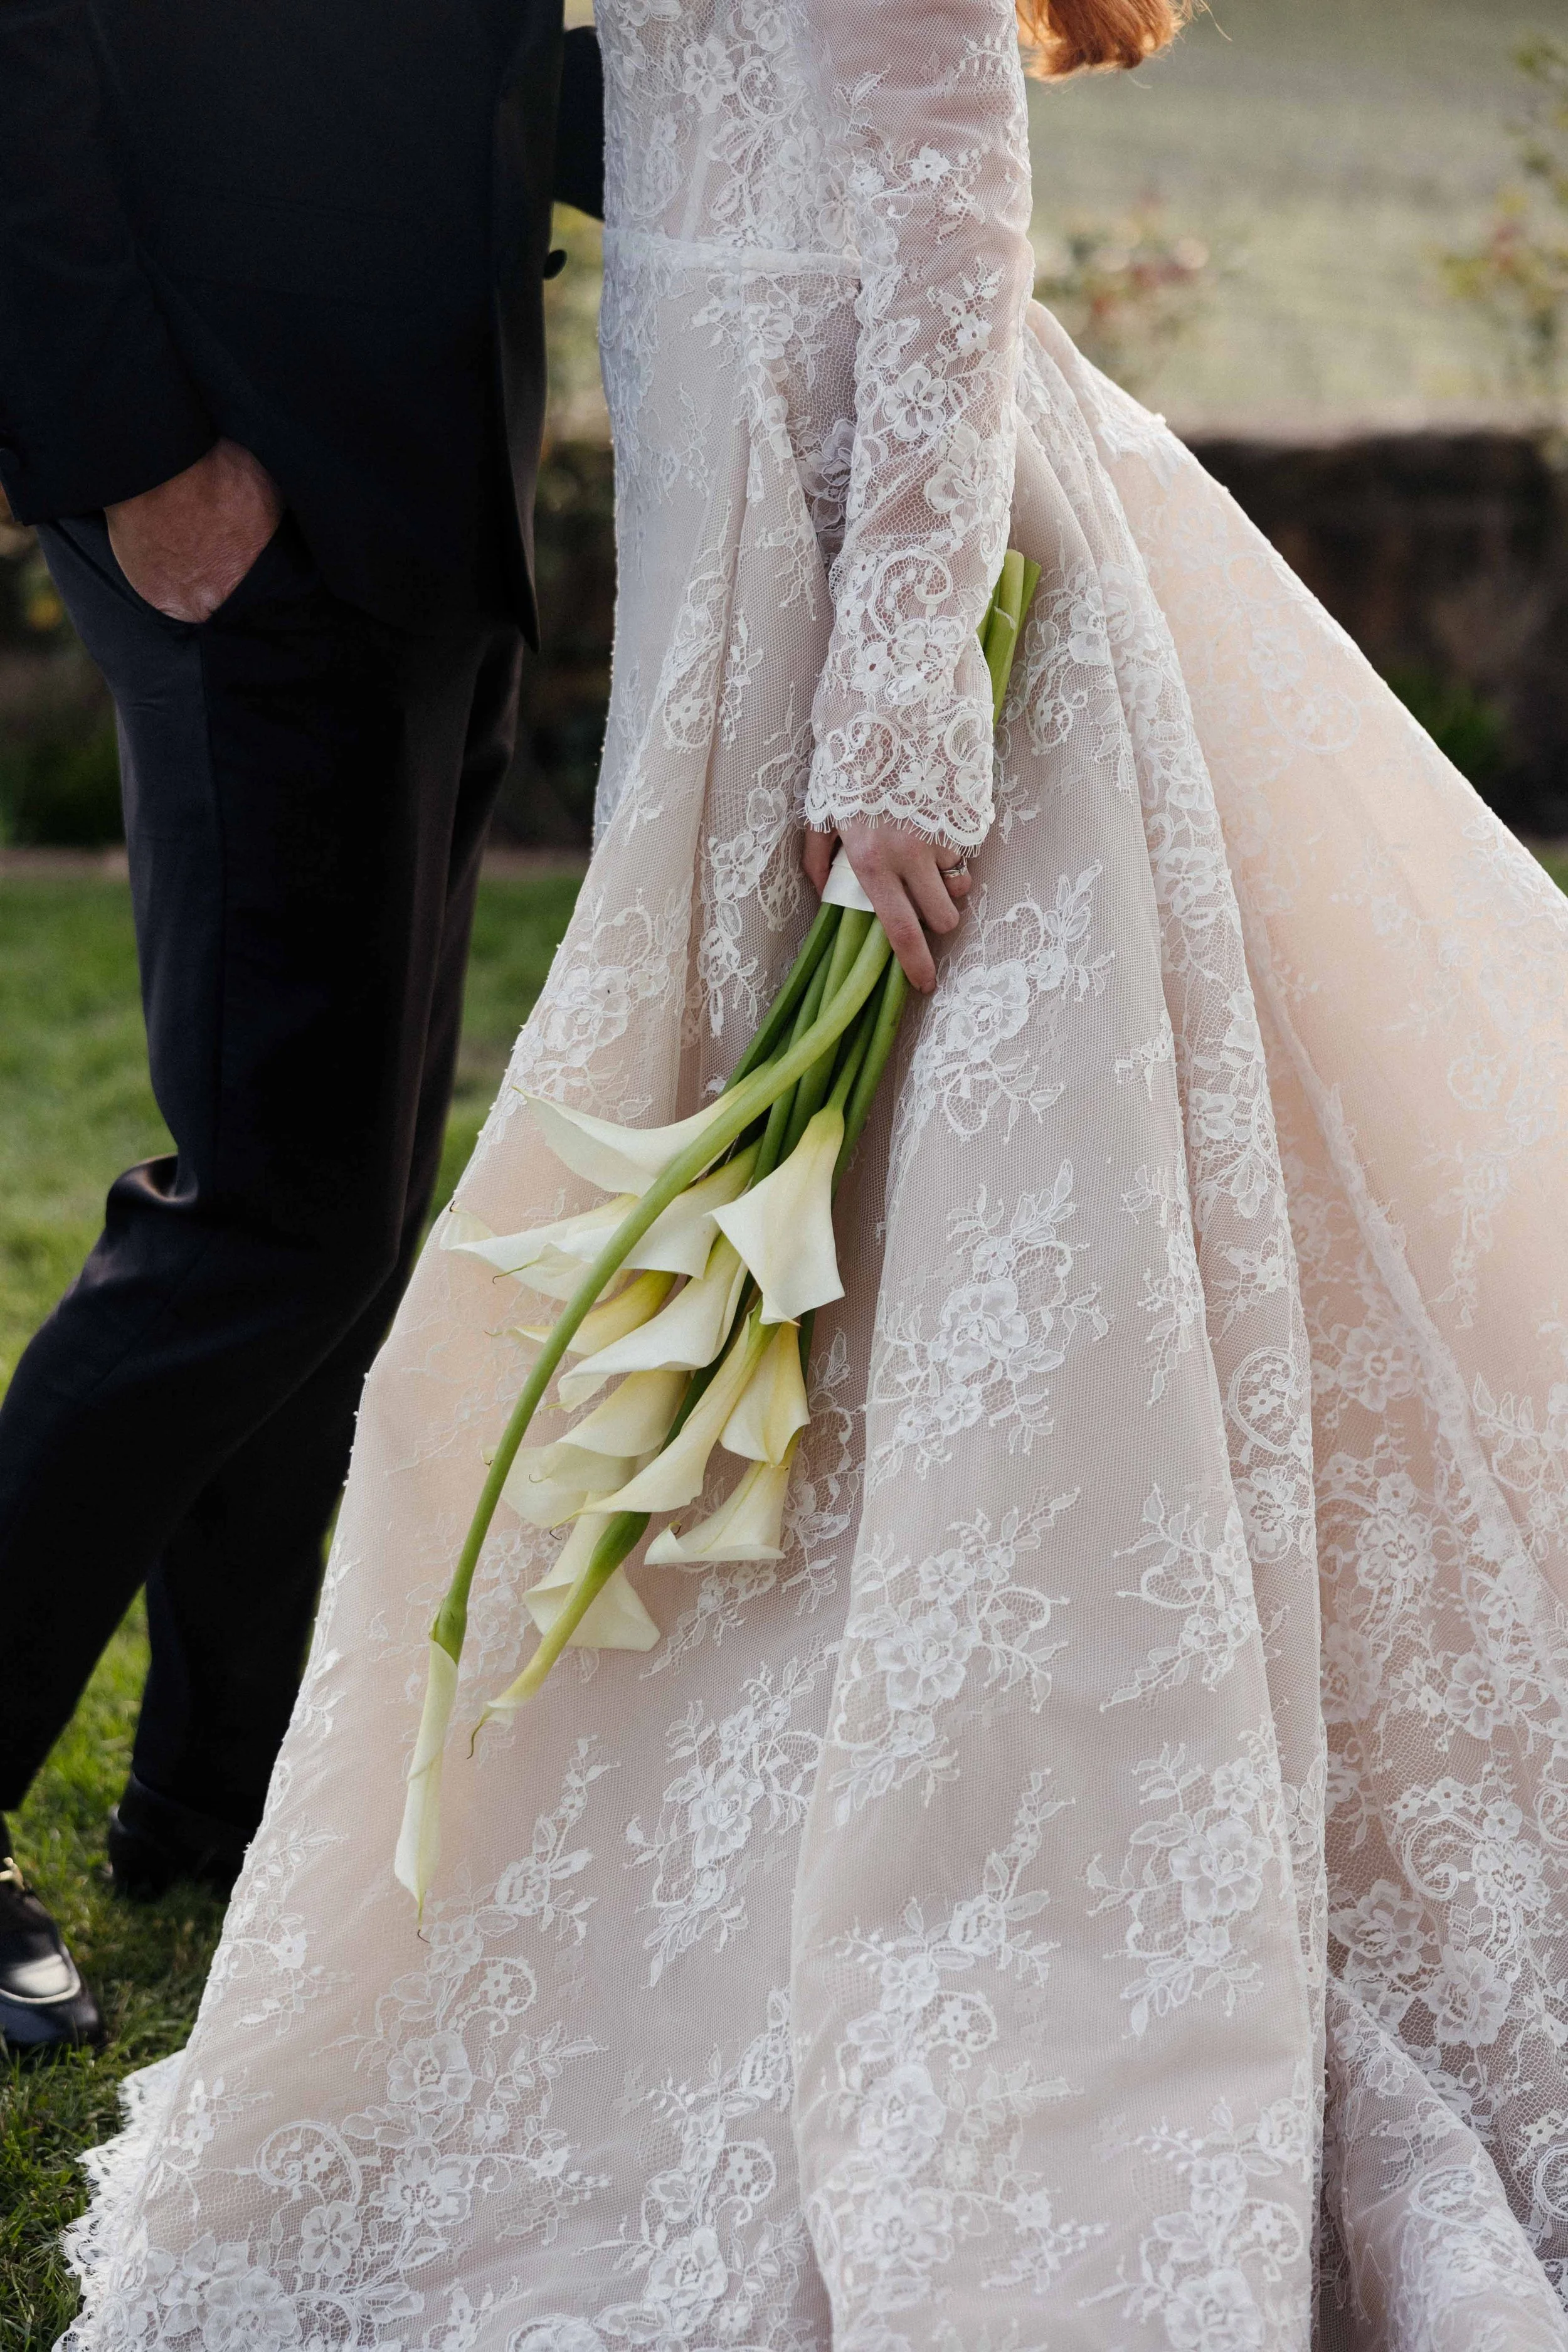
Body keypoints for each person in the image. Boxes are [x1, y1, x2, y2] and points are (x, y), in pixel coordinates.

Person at [46, 0, 1568, 2342]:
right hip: (640, 500)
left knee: (819, 1237)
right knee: (400, 1215)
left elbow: (941, 185)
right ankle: (287, 1788)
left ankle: (288, 1798)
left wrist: (894, 701)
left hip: (823, 537)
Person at [0, 0, 603, 2052]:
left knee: (333, 1207)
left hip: (421, 474)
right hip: (232, 476)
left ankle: (214, 1788)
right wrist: (137, 457)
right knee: (274, 1213)